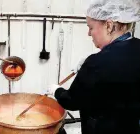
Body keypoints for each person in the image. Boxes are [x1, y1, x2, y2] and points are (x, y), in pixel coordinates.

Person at [47, 0, 140, 134]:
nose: (88, 34)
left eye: (91, 27)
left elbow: (72, 101)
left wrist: (57, 91)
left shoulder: (96, 63)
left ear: (109, 26)